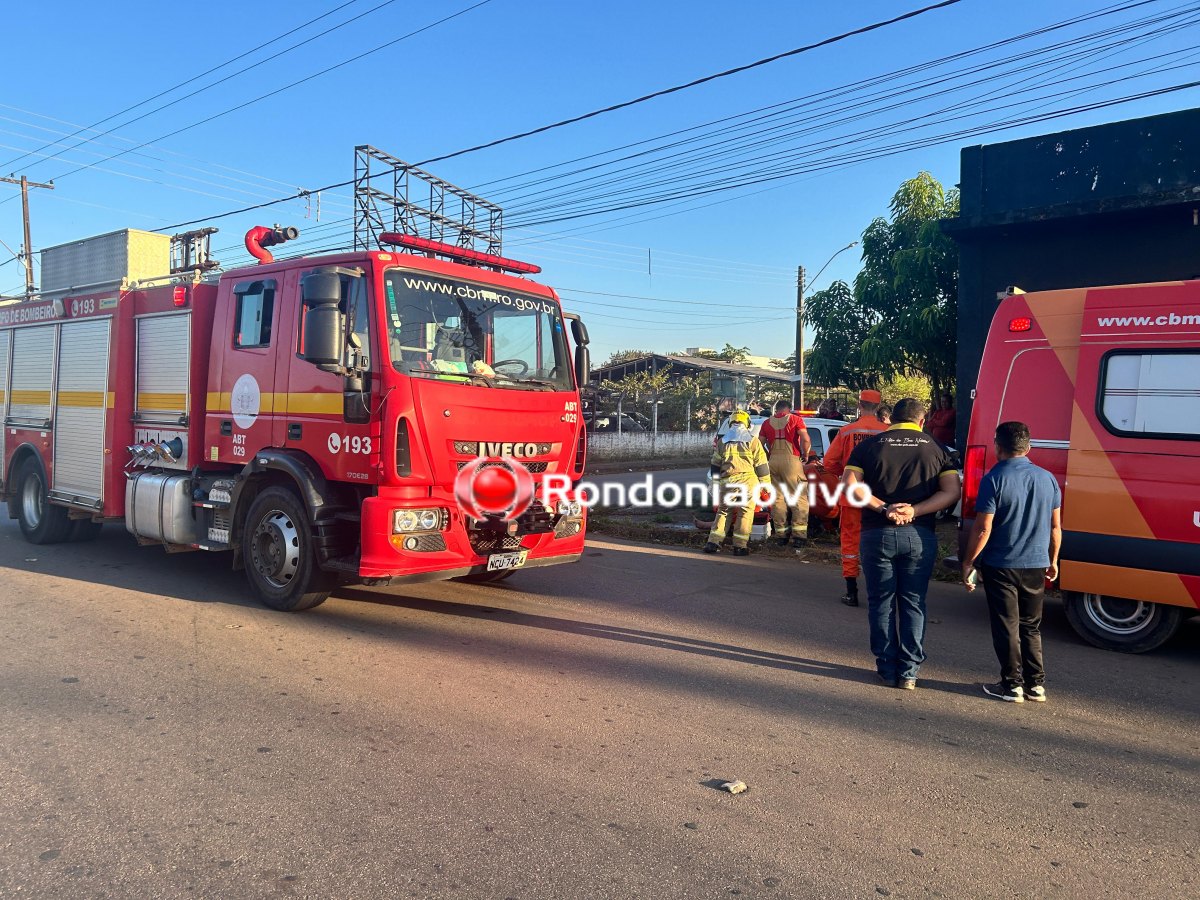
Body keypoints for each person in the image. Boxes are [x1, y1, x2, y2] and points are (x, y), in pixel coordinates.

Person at [842, 399, 960, 689]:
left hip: (876, 535)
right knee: (913, 602)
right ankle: (909, 672)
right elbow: (952, 491)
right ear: (922, 420)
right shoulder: (936, 448)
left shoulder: (869, 446)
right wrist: (914, 511)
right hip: (919, 535)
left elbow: (850, 485)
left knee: (881, 602)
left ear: (891, 419)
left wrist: (884, 508)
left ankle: (886, 667)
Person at [961, 421, 1062, 704]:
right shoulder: (1047, 478)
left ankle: (1011, 685)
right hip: (1036, 563)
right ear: (1028, 447)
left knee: (1007, 625)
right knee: (1031, 625)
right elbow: (1055, 527)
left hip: (1001, 564)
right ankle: (1036, 686)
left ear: (997, 446)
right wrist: (1053, 560)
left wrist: (968, 562)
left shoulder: (993, 479)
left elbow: (983, 528)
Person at [821, 390, 889, 607]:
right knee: (880, 541)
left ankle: (851, 592)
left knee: (850, 542)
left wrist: (846, 472)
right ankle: (880, 591)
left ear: (860, 405)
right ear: (878, 408)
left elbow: (829, 462)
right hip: (879, 498)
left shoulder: (847, 431)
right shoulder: (887, 432)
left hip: (851, 495)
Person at [704, 410, 770, 557]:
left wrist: (714, 485)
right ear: (747, 424)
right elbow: (761, 466)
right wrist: (765, 485)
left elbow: (715, 465)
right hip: (748, 483)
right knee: (745, 513)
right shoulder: (753, 441)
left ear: (730, 423)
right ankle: (739, 546)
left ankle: (713, 542)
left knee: (723, 511)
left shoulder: (722, 442)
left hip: (727, 483)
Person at [758, 400, 813, 546]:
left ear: (777, 409)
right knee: (799, 497)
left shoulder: (766, 423)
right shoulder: (795, 419)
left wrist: (768, 456)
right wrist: (805, 454)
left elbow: (759, 444)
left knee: (777, 499)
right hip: (792, 461)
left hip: (773, 462)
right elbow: (806, 439)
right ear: (788, 409)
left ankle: (781, 535)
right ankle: (799, 537)